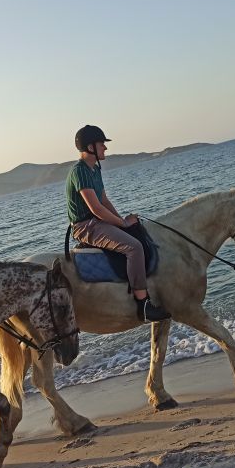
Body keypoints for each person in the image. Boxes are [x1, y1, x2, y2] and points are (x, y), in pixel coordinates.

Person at [66, 125, 170, 323]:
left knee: (137, 231)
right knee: (134, 247)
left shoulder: (94, 169)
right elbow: (96, 208)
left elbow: (104, 201)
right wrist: (122, 223)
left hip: (97, 221)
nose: (105, 148)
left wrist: (124, 222)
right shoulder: (79, 171)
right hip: (86, 226)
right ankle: (143, 304)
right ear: (90, 147)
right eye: (102, 144)